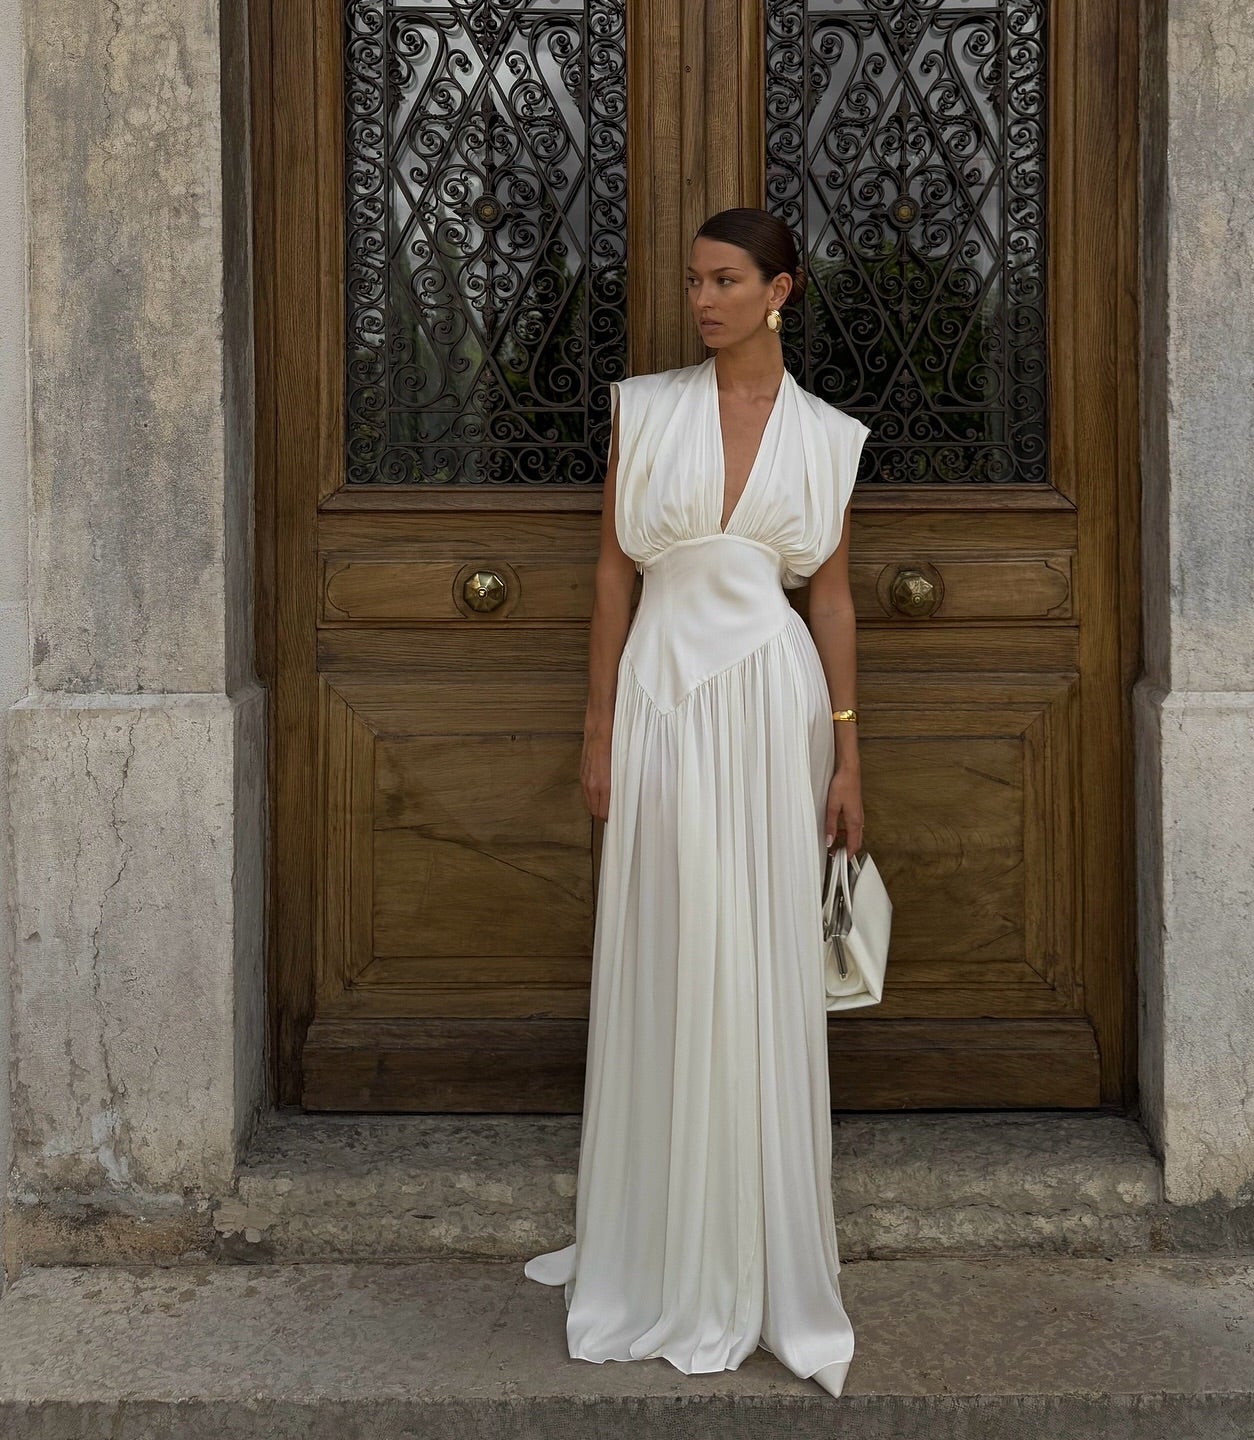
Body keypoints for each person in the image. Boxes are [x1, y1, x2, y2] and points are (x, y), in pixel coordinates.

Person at [523, 206, 870, 1400]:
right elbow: (614, 570)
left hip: (773, 709)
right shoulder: (646, 407)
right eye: (692, 282)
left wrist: (847, 758)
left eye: (726, 281)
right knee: (672, 947)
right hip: (663, 702)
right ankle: (658, 1242)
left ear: (784, 288)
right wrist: (597, 722)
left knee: (759, 957)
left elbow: (828, 600)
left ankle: (756, 1252)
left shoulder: (825, 437)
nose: (702, 301)